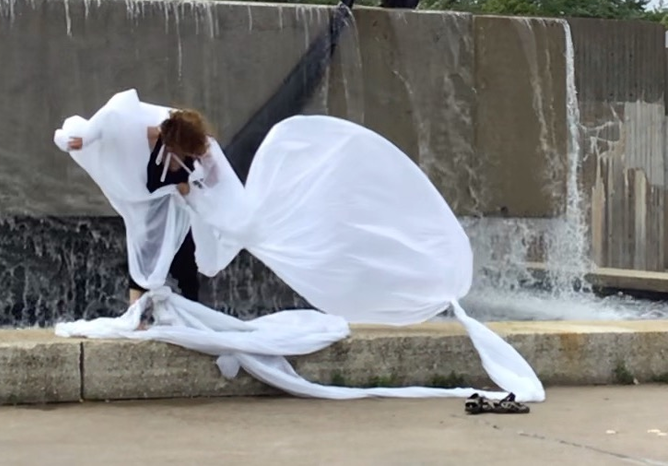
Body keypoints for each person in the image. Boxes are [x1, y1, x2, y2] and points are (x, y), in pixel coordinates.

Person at [54, 88, 545, 404]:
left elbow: (227, 204)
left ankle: (150, 313)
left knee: (177, 259)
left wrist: (192, 191)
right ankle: (140, 312)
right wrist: (79, 140)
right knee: (145, 250)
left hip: (180, 206)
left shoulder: (205, 154)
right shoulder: (130, 122)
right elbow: (89, 126)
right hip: (142, 199)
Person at [67, 107, 211, 306]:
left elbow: (208, 183)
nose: (175, 151)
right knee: (144, 254)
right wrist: (88, 139)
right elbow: (116, 130)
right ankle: (136, 312)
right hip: (152, 209)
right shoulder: (155, 137)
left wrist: (187, 187)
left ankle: (192, 310)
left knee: (185, 262)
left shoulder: (196, 150)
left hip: (178, 214)